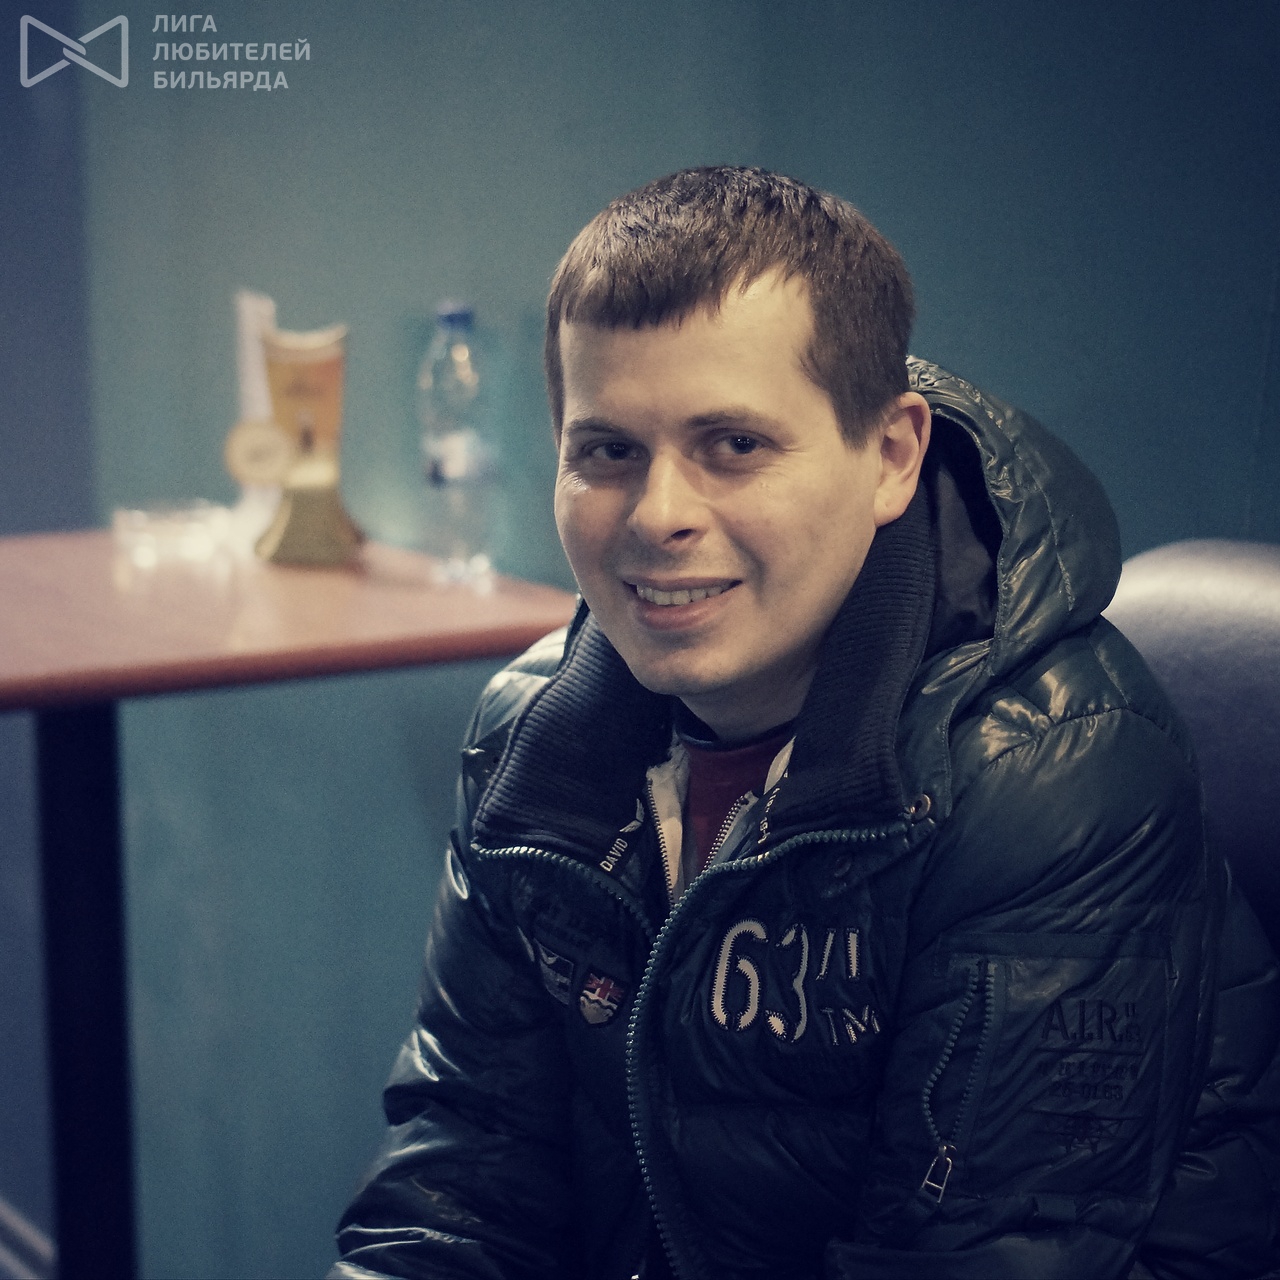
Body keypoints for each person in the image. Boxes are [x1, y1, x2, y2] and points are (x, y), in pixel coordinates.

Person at [331, 167, 1280, 1280]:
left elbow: (978, 1260)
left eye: (734, 444)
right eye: (608, 450)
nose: (659, 515)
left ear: (890, 457)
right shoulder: (528, 741)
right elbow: (459, 1179)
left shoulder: (1048, 774)